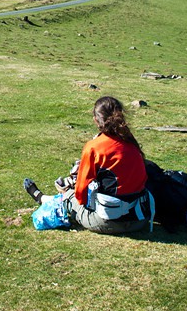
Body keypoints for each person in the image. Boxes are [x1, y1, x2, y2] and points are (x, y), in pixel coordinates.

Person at [24, 96, 153, 234]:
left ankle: (44, 199)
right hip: (140, 219)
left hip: (108, 221)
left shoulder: (94, 147)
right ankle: (47, 198)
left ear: (96, 120)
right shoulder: (131, 143)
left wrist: (69, 189)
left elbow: (81, 196)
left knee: (69, 195)